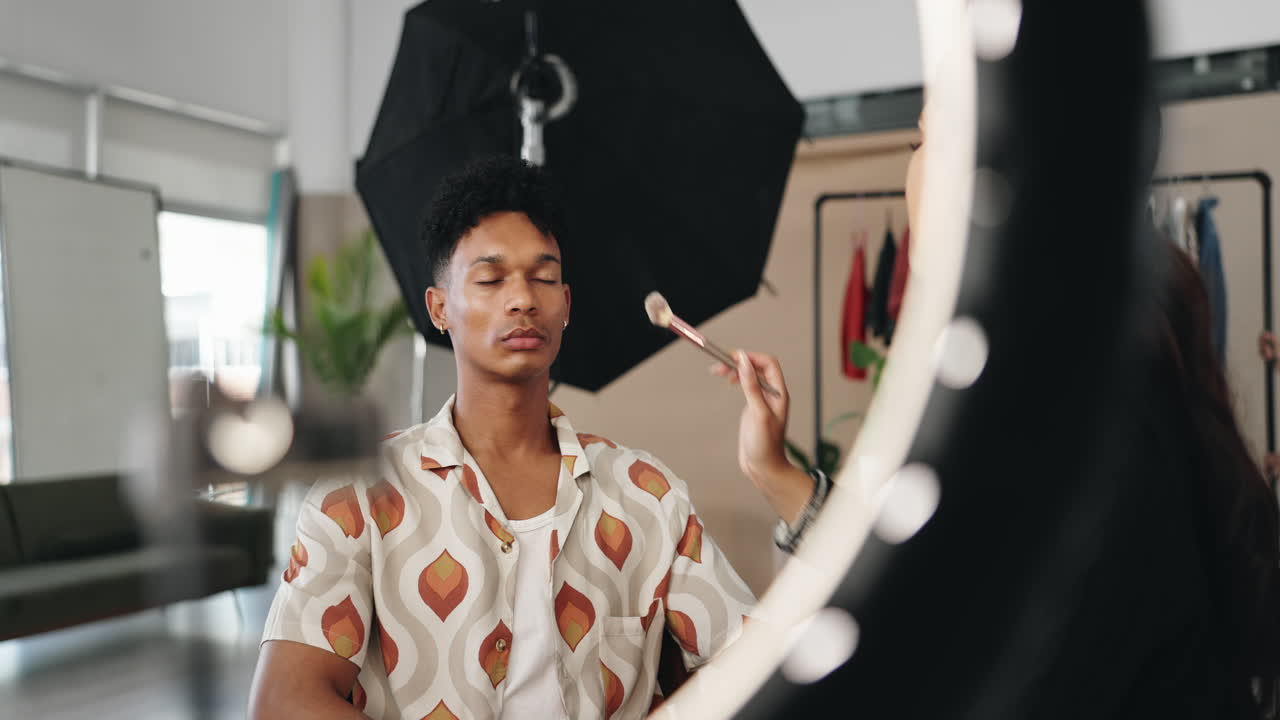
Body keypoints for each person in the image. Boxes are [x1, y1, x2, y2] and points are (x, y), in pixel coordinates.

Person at [247, 156, 818, 720]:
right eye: (491, 279)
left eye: (544, 278)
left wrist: (772, 468)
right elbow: (283, 703)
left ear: (565, 306)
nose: (523, 299)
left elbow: (758, 665)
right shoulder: (359, 494)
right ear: (439, 308)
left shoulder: (647, 494)